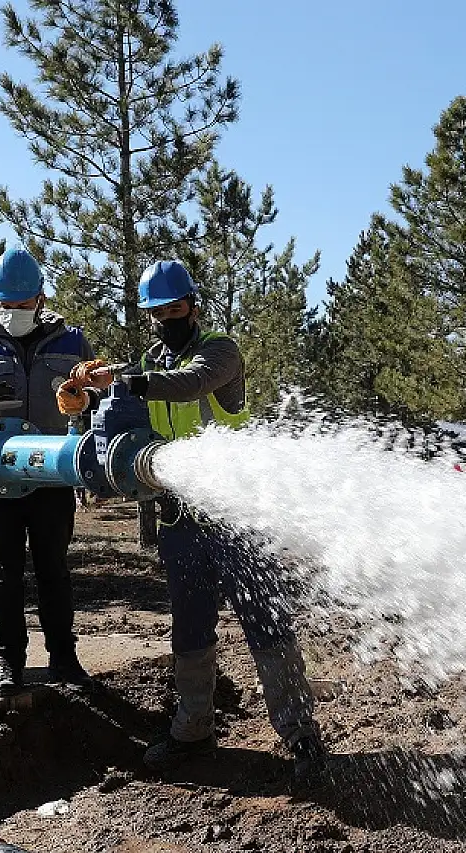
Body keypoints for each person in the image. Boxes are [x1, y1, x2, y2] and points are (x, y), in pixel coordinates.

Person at [57, 259, 329, 778]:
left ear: (193, 305)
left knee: (266, 625)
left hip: (237, 518)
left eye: (174, 307)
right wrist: (86, 399)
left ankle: (300, 736)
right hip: (181, 520)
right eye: (156, 311)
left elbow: (187, 385)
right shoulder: (147, 360)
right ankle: (192, 730)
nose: (166, 317)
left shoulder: (221, 351)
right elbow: (130, 411)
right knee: (190, 629)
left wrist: (128, 379)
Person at [0, 247, 102, 698]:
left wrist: (87, 401)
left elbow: (98, 399)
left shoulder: (72, 342)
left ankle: (64, 660)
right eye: (4, 304)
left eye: (21, 304)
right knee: (3, 574)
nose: (12, 312)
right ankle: (8, 665)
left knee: (53, 569)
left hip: (51, 476)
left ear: (41, 300)